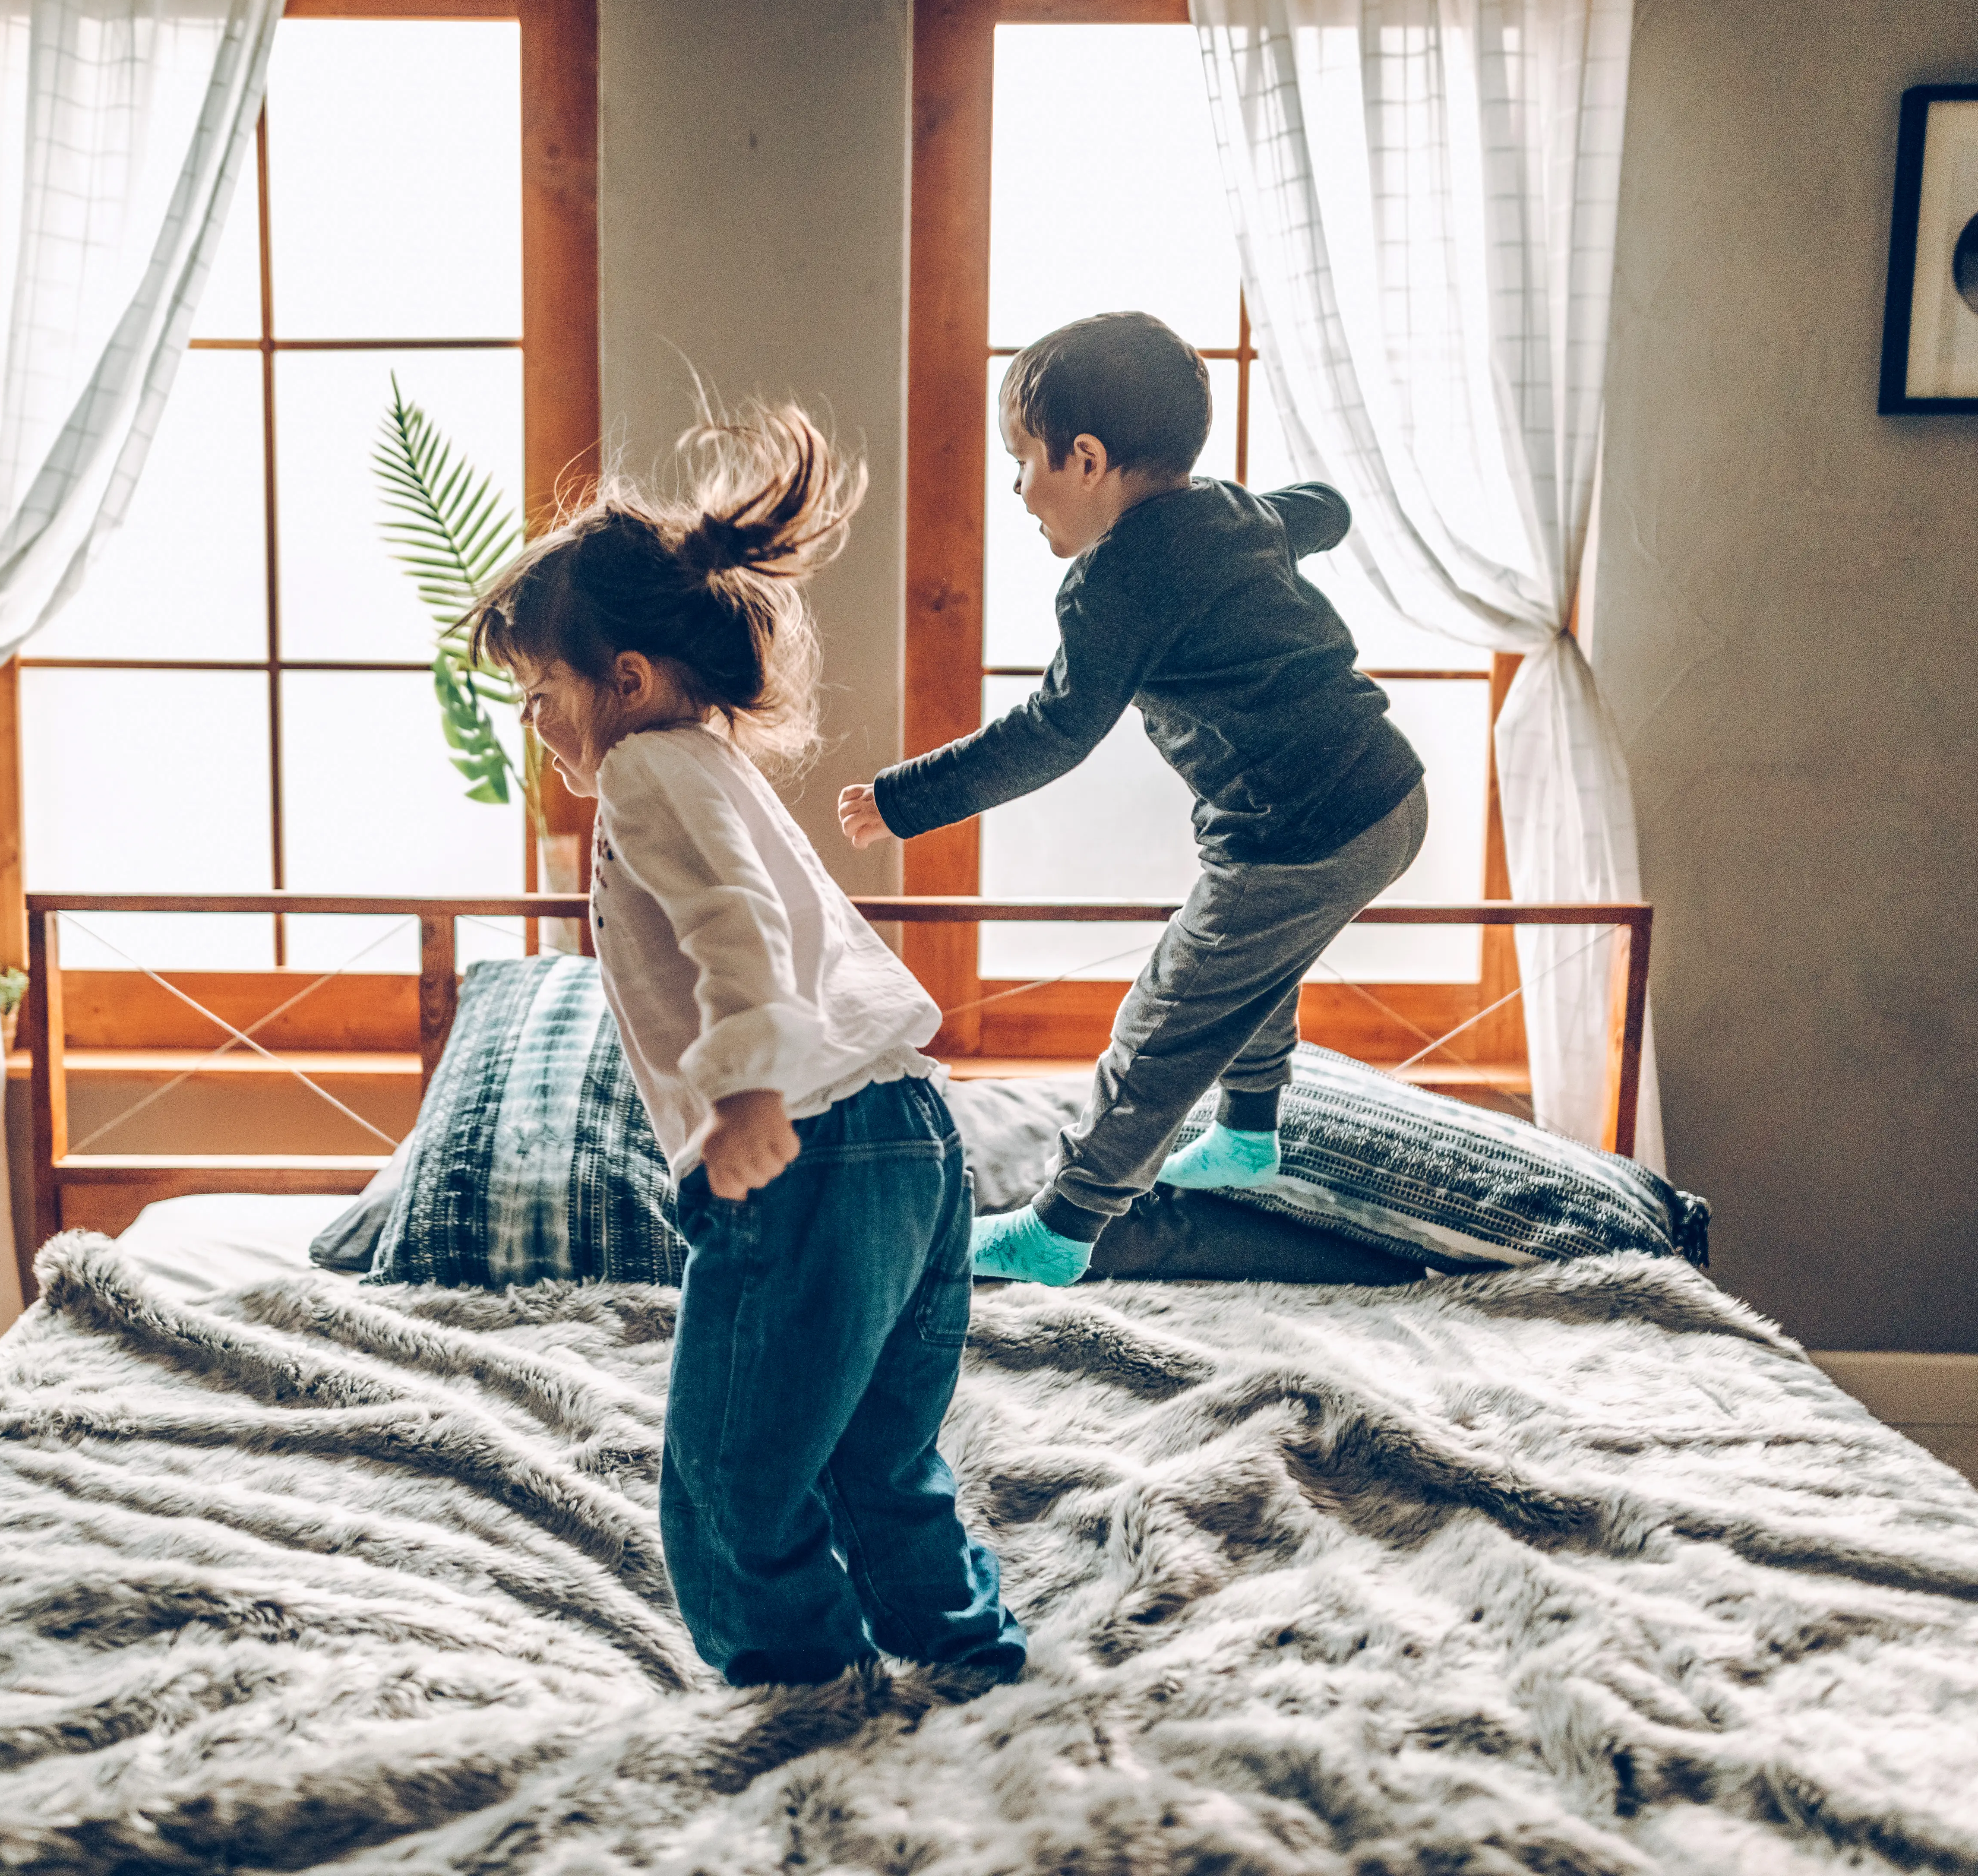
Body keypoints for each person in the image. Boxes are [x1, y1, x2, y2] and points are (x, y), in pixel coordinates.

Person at [463, 399, 1026, 1689]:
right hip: (912, 1139)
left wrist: (753, 1089)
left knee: (730, 1477)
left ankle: (800, 1695)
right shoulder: (716, 767)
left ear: (627, 681)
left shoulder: (649, 773)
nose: (537, 727)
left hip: (809, 1157)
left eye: (543, 694)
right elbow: (759, 915)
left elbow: (734, 928)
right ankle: (966, 1660)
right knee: (879, 1458)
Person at [839, 310, 1428, 1288]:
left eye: (1021, 461)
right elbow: (1318, 510)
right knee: (1249, 964)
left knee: (1168, 1013)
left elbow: (1053, 731)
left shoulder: (1113, 582)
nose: (1018, 489)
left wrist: (904, 800)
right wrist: (1319, 507)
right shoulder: (1233, 513)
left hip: (1298, 826)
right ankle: (1247, 1131)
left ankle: (1063, 1226)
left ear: (1085, 457)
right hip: (1386, 791)